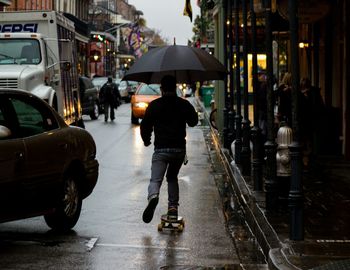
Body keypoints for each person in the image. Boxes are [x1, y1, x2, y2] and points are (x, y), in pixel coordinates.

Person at [140, 75, 198, 223]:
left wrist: (147, 140)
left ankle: (153, 196)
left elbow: (145, 125)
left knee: (155, 179)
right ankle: (173, 208)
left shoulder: (155, 105)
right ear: (175, 88)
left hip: (161, 149)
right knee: (172, 177)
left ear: (161, 89)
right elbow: (193, 121)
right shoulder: (183, 104)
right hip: (178, 150)